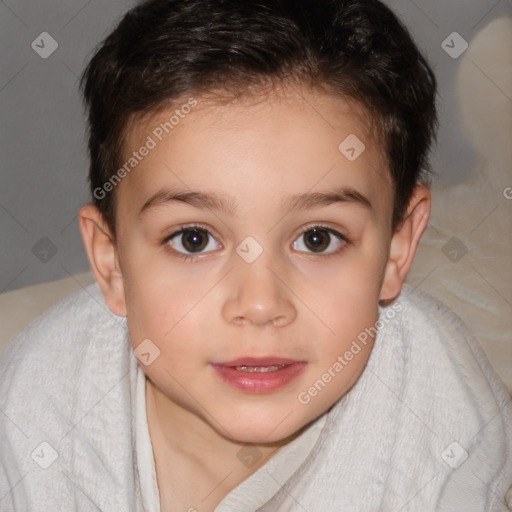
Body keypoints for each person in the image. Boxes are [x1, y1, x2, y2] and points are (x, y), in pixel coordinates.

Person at [1, 0, 511, 510]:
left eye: (317, 238)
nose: (261, 304)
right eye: (193, 239)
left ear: (398, 247)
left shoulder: (449, 435)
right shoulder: (38, 408)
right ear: (111, 264)